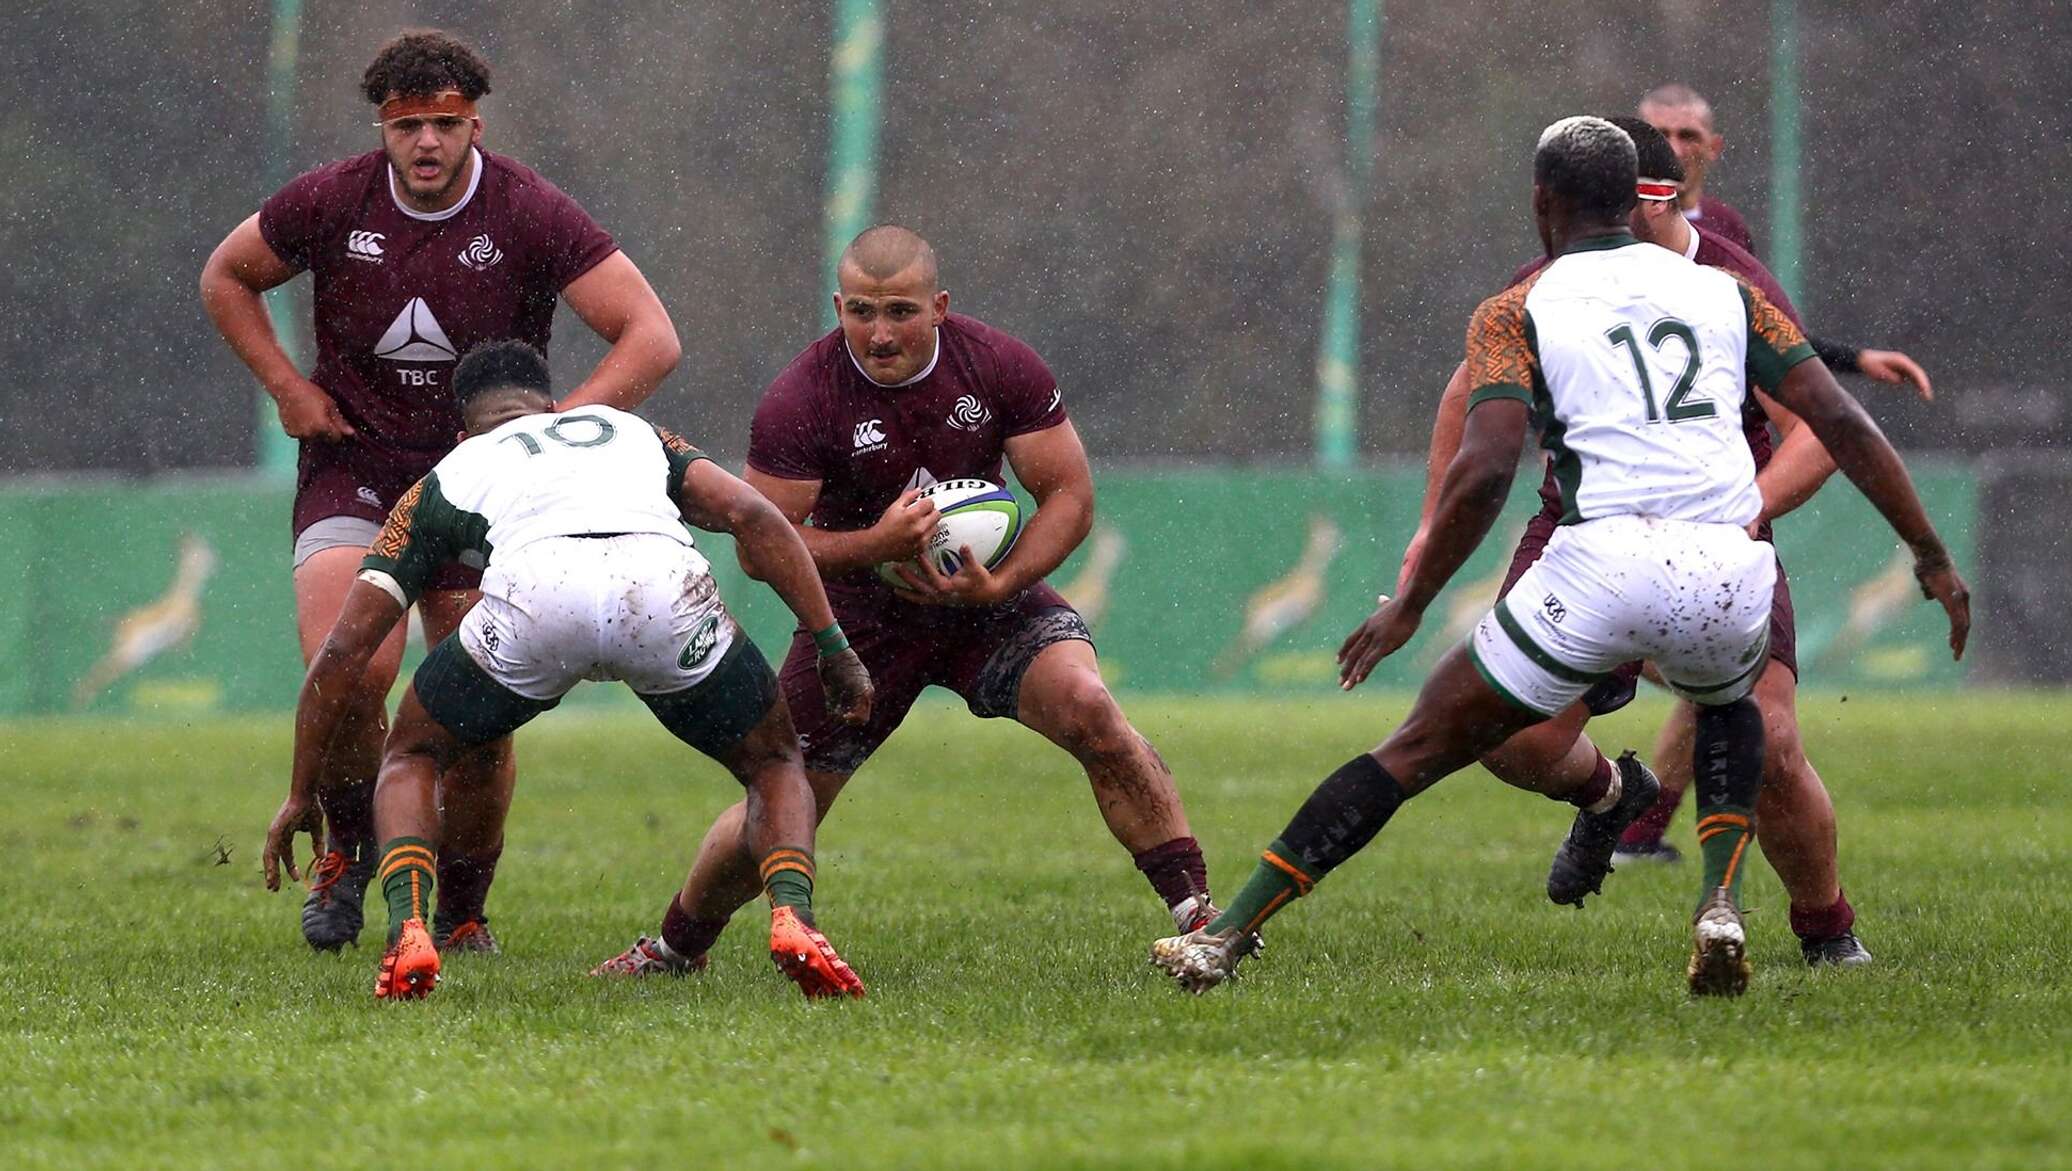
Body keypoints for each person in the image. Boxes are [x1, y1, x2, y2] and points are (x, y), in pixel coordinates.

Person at [1151, 115, 1969, 998]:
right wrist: (1930, 554)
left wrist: (1415, 602)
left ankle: (1225, 935)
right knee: (1730, 705)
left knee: (1418, 745)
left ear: (1542, 202)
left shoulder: (1520, 305)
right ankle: (1718, 901)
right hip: (1728, 566)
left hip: (1602, 562)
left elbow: (1489, 460)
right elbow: (1845, 420)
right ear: (1639, 197)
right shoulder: (1727, 292)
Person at [591, 225, 1225, 976]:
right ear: (838, 306)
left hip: (986, 602)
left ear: (940, 306)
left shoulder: (996, 366)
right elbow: (763, 545)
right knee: (785, 793)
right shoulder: (802, 397)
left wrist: (1003, 581)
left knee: (1089, 705)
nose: (880, 332)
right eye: (861, 311)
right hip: (859, 622)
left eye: (899, 311)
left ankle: (1200, 915)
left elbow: (1070, 496)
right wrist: (875, 545)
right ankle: (674, 949)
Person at [1400, 117, 1927, 966]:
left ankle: (1826, 928)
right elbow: (1468, 392)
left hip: (1713, 538)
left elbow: (1815, 429)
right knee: (1505, 734)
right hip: (1580, 530)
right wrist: (1431, 526)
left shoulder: (1729, 279)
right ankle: (1614, 797)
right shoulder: (1543, 282)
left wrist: (1742, 509)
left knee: (1772, 744)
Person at [201, 30, 681, 954]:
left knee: (478, 716)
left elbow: (650, 337)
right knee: (347, 678)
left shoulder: (527, 209)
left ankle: (462, 910)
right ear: (383, 126)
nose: (427, 142)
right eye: (408, 125)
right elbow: (227, 275)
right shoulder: (332, 201)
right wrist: (289, 389)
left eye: (446, 125)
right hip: (359, 465)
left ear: (475, 125)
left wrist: (548, 436)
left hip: (488, 493)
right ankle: (350, 851)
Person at [261, 341, 869, 1001]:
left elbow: (344, 653)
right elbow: (752, 514)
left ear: (465, 429)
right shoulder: (630, 430)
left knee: (412, 753)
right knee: (776, 762)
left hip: (538, 599)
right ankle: (793, 917)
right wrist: (832, 643)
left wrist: (301, 791)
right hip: (661, 591)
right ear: (552, 405)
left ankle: (410, 927)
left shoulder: (453, 469)